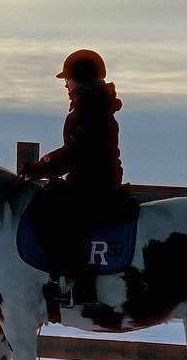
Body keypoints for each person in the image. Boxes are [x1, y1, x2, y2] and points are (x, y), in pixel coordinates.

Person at [22, 49, 128, 304]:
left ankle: (76, 283)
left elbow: (75, 154)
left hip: (93, 185)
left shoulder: (90, 110)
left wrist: (42, 167)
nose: (66, 85)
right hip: (93, 181)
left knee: (50, 211)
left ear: (80, 78)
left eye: (67, 79)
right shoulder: (92, 107)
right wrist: (45, 164)